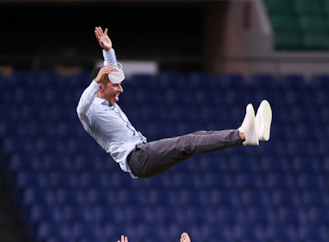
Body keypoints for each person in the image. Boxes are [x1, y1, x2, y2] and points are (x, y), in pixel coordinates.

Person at [77, 27, 273, 179]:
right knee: (190, 142)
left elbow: (110, 75)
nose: (120, 89)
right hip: (139, 158)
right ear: (100, 88)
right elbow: (80, 108)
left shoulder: (106, 96)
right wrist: (96, 80)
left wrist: (109, 52)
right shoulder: (91, 111)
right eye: (115, 86)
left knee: (195, 139)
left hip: (143, 156)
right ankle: (243, 135)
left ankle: (249, 134)